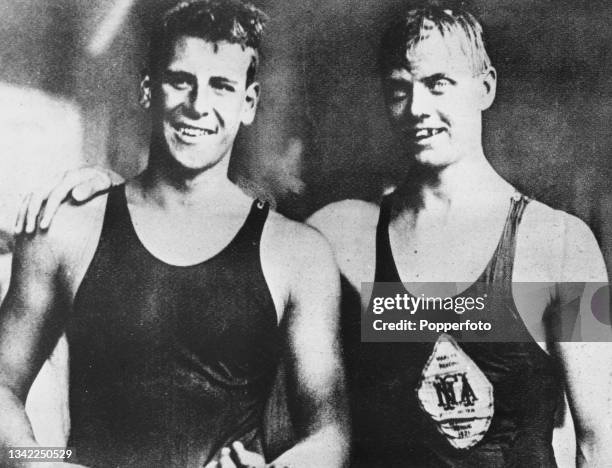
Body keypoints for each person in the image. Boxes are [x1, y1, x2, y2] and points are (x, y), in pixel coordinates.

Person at [17, 4, 612, 468]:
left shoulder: (567, 247)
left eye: (439, 84)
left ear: (484, 87)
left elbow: (602, 438)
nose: (418, 107)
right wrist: (104, 189)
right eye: (400, 89)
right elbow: (213, 222)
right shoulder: (343, 234)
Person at [1, 1, 349, 467]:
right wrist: (39, 462)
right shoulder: (68, 227)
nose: (198, 105)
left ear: (248, 103)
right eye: (180, 80)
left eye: (221, 86)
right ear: (149, 88)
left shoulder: (298, 252)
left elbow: (329, 433)